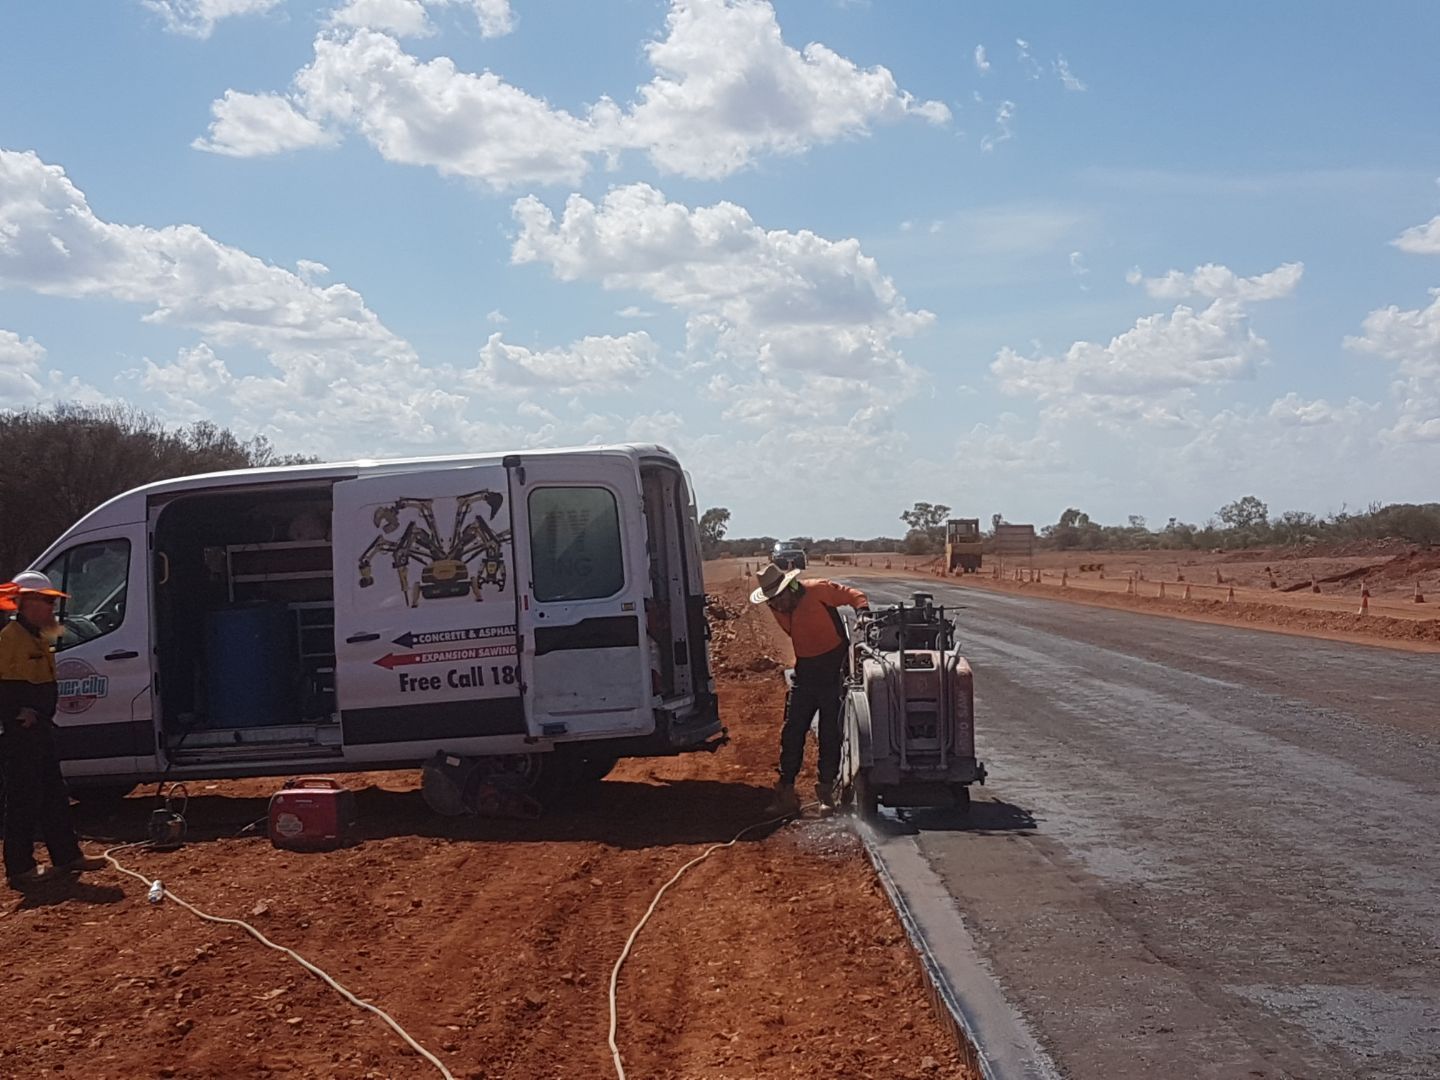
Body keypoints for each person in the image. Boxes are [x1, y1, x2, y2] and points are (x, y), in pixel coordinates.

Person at [0, 571, 107, 888]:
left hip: (41, 728)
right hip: (21, 732)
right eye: (46, 601)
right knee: (23, 797)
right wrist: (15, 713)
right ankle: (19, 869)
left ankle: (66, 856)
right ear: (27, 603)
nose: (50, 608)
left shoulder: (35, 637)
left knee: (54, 794)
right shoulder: (9, 640)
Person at [751, 562, 869, 814]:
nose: (776, 605)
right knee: (793, 730)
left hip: (834, 670)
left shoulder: (818, 590)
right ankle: (786, 791)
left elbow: (854, 595)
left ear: (790, 588)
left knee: (830, 732)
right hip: (806, 672)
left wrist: (863, 613)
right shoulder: (777, 607)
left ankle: (826, 791)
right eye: (771, 601)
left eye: (778, 598)